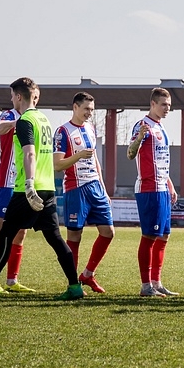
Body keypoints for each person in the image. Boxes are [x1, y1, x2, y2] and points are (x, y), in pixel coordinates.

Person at [0, 78, 84, 301]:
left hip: (28, 189)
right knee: (56, 239)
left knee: (5, 235)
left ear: (18, 97)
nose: (11, 100)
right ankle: (75, 286)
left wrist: (28, 184)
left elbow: (30, 153)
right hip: (48, 188)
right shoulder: (44, 120)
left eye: (11, 96)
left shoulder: (25, 120)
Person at [53, 91, 114, 293]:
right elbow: (57, 165)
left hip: (95, 186)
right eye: (86, 109)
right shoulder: (63, 132)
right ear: (75, 107)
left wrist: (103, 189)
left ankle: (87, 274)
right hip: (75, 188)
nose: (89, 113)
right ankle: (73, 284)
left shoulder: (90, 128)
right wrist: (78, 155)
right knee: (75, 236)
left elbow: (95, 160)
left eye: (92, 109)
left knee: (108, 232)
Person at [127, 87, 179, 297]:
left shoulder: (161, 127)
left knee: (164, 236)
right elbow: (130, 154)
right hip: (149, 188)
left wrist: (170, 184)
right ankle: (145, 285)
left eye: (169, 105)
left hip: (162, 188)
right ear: (153, 104)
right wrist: (139, 137)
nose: (167, 109)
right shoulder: (143, 125)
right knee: (149, 236)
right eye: (164, 105)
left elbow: (161, 161)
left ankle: (157, 282)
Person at [0, 96, 32, 293]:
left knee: (21, 232)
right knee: (1, 232)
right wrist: (19, 122)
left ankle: (12, 280)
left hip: (24, 183)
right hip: (7, 182)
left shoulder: (34, 118)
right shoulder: (9, 115)